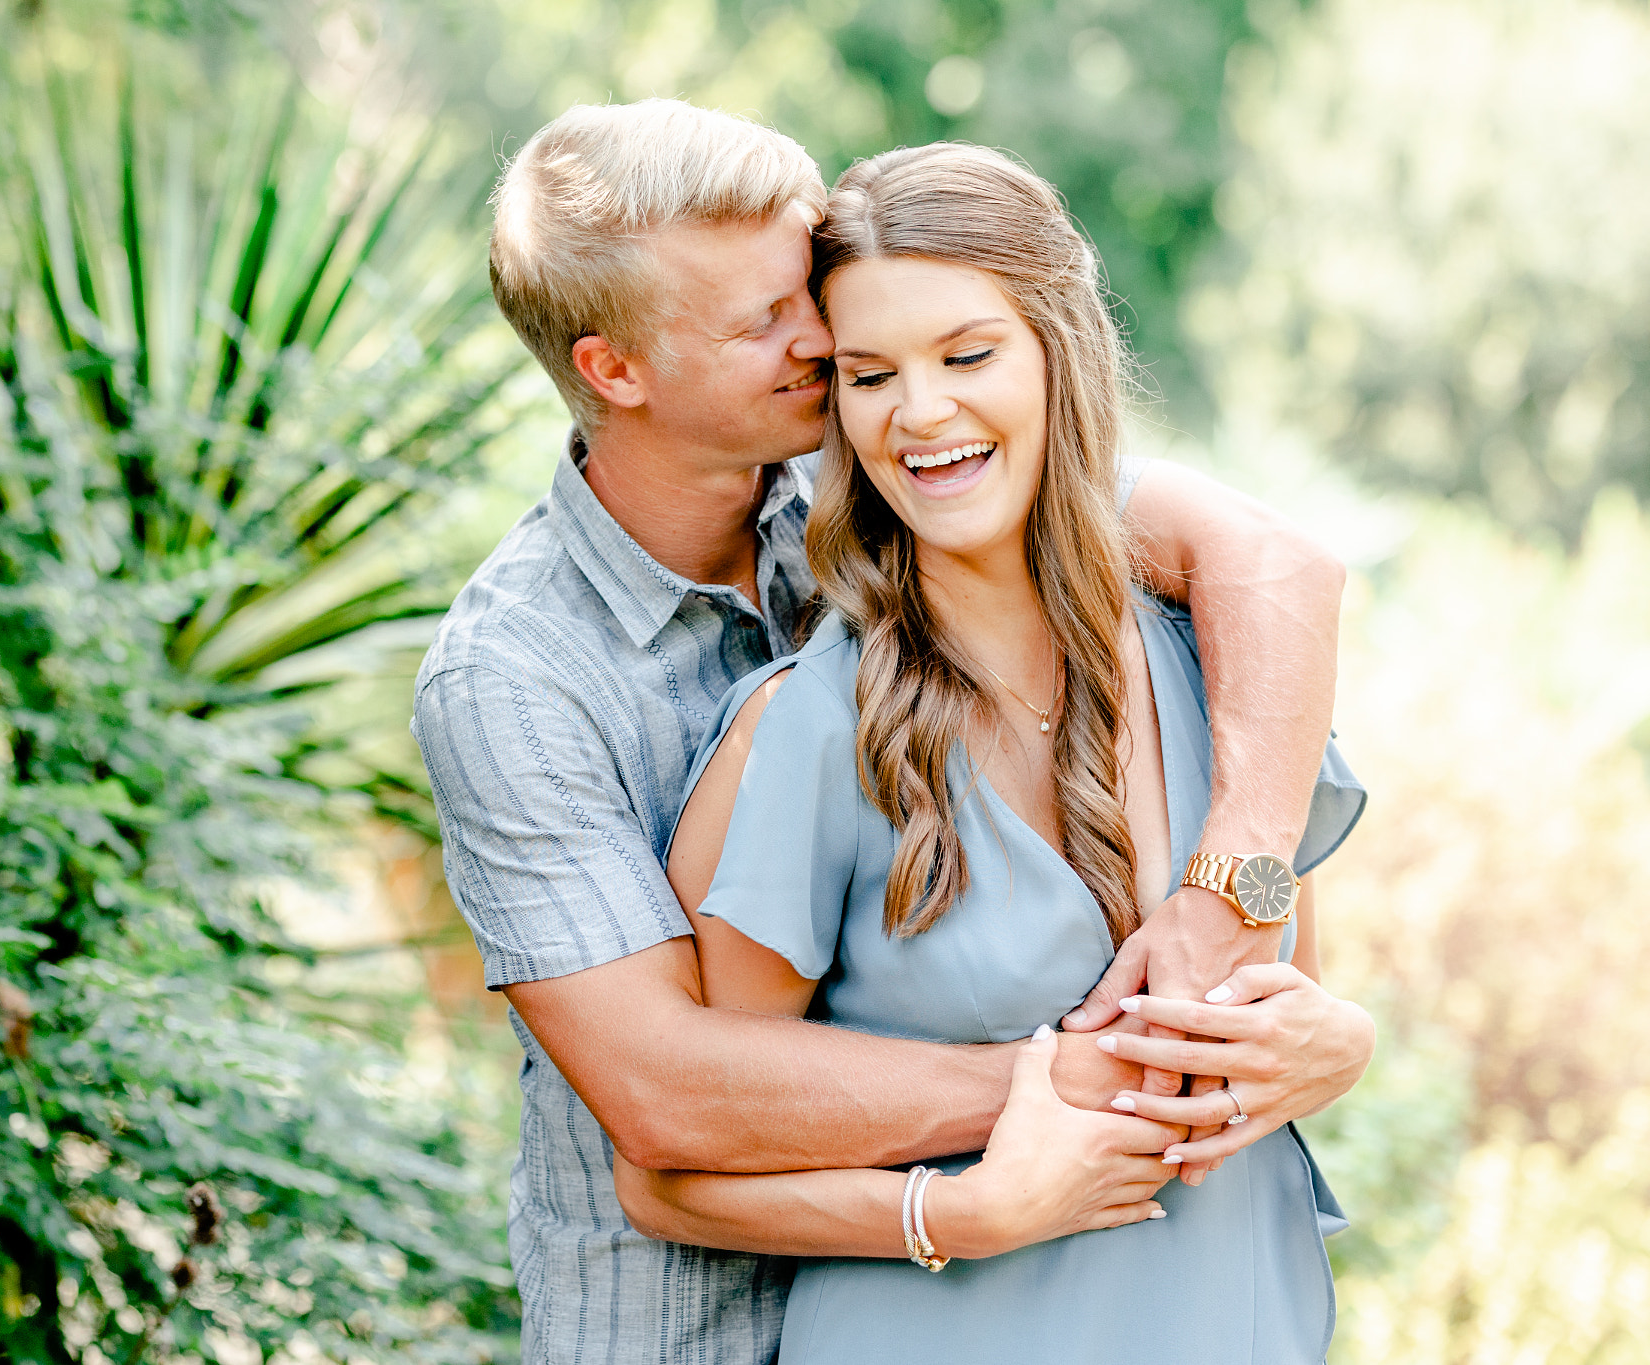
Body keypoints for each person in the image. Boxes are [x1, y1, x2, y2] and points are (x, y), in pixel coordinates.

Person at [412, 100, 1362, 1364]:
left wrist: (1280, 969)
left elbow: (1276, 564)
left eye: (813, 295)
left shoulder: (906, 495)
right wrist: (1102, 1086)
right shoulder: (514, 682)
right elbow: (665, 1103)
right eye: (771, 322)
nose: (824, 338)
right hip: (684, 1323)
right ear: (615, 371)